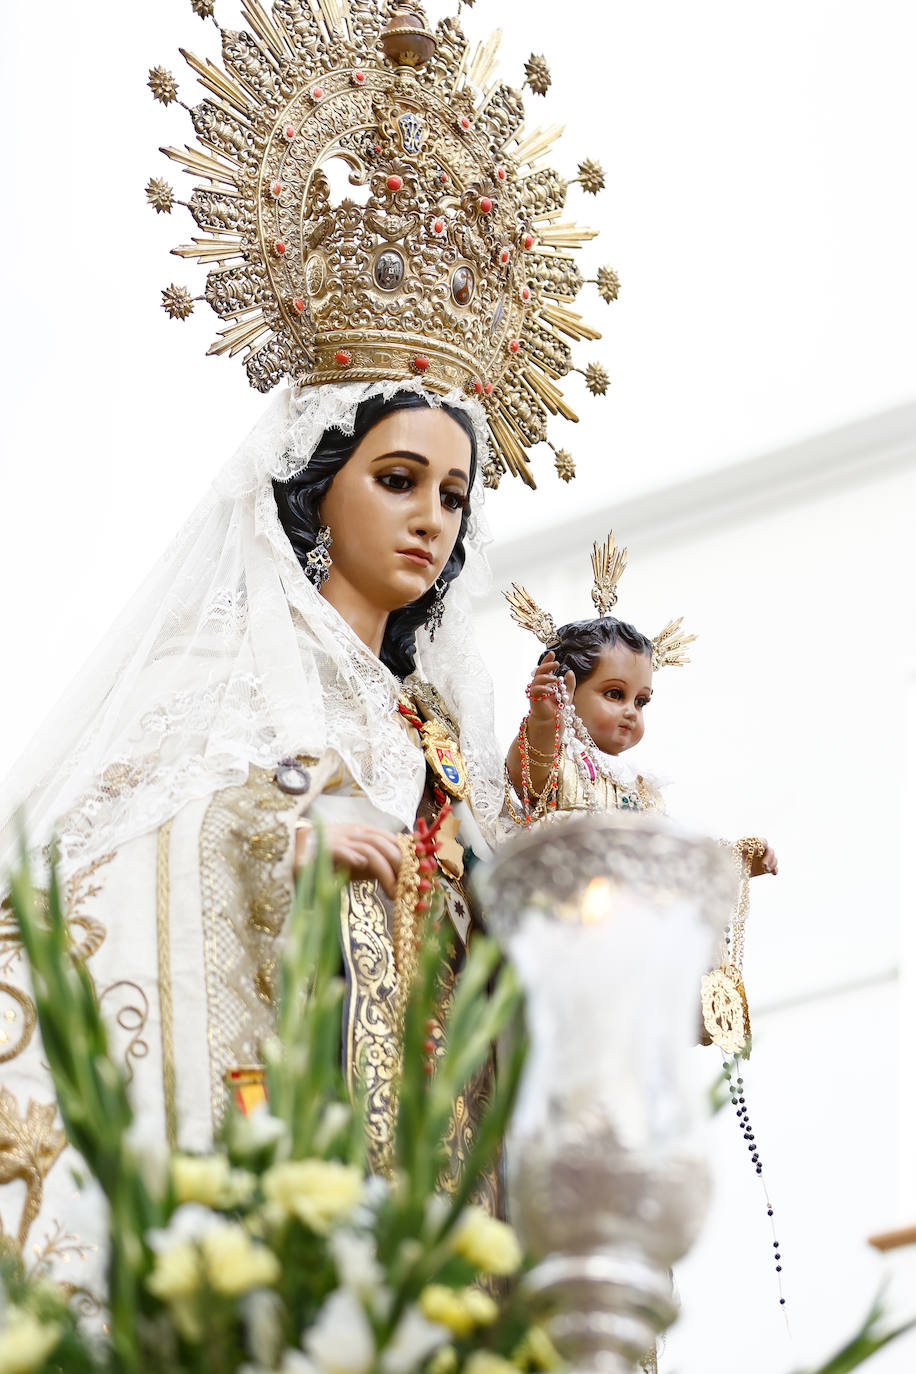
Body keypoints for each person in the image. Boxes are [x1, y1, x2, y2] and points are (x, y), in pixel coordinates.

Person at [503, 533, 778, 878]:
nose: (631, 711)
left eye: (641, 701)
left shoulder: (644, 791)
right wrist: (545, 719)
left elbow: (670, 854)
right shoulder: (559, 762)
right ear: (566, 691)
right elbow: (529, 773)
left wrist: (736, 859)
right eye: (614, 694)